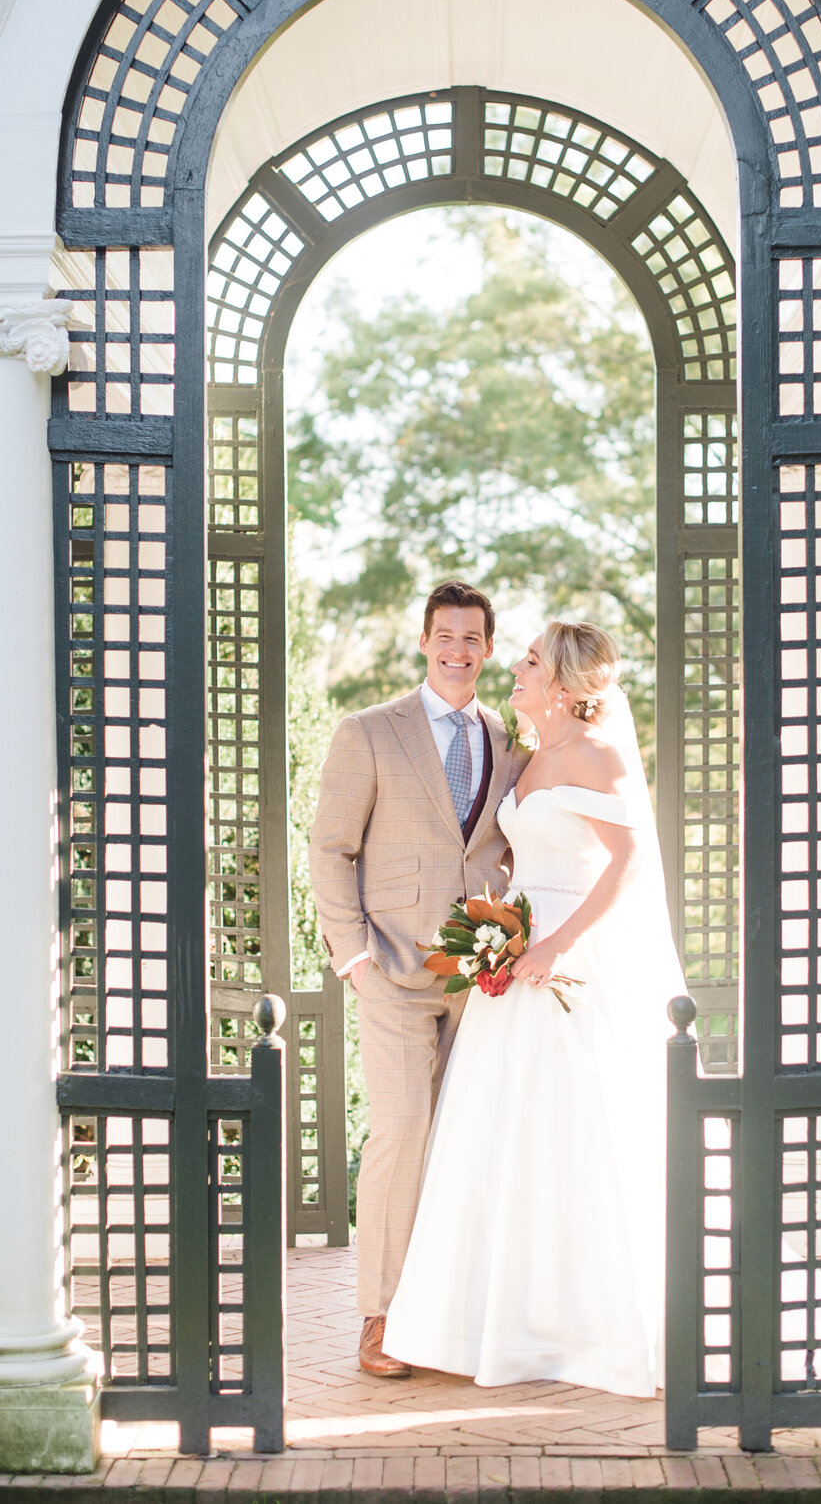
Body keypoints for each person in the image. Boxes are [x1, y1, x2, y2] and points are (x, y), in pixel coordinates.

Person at [383, 621, 685, 1397]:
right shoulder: (527, 757)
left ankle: (578, 1326)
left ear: (562, 683)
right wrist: (498, 930)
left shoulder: (599, 754)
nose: (512, 668)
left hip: (565, 962)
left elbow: (626, 866)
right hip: (511, 955)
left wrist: (555, 945)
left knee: (571, 1129)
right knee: (498, 1130)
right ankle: (487, 1320)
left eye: (528, 661)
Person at [309, 580, 531, 1378]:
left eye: (472, 637)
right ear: (425, 640)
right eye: (446, 635)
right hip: (394, 975)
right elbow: (330, 847)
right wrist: (353, 958)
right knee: (401, 1132)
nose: (458, 649)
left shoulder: (508, 737)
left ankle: (452, 1314)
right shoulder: (369, 731)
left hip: (482, 983)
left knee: (466, 1143)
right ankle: (380, 1315)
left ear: (489, 647)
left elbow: (504, 849)